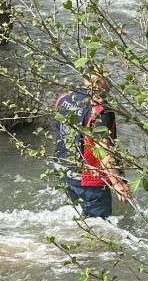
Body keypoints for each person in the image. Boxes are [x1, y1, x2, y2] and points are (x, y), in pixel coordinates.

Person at [52, 68, 130, 218]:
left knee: (77, 216)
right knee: (99, 226)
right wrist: (118, 183)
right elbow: (103, 148)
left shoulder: (65, 97)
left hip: (62, 167)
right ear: (102, 83)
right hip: (88, 178)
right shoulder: (100, 110)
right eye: (107, 79)